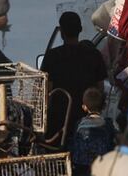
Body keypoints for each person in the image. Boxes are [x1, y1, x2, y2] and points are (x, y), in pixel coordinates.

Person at [41, 12, 108, 147]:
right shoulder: (94, 55)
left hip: (59, 123)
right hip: (87, 121)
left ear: (62, 32)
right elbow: (100, 88)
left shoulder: (52, 56)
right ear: (80, 29)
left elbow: (45, 92)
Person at [68, 87, 117, 176]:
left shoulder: (79, 123)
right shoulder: (108, 124)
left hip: (81, 165)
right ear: (103, 106)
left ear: (84, 107)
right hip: (102, 165)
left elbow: (74, 143)